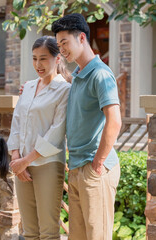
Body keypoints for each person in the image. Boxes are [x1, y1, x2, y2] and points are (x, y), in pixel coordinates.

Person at [52, 13, 122, 240]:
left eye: (65, 43)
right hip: (77, 167)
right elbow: (64, 79)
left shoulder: (101, 75)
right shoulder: (80, 75)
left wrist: (98, 162)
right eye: (59, 44)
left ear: (82, 38)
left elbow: (115, 120)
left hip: (95, 169)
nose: (62, 50)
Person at [7, 36, 71, 240]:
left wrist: (25, 161)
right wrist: (17, 158)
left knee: (48, 232)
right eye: (34, 59)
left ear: (57, 58)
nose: (38, 64)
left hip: (47, 165)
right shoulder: (28, 87)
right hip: (22, 165)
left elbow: (57, 131)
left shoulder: (65, 90)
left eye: (43, 59)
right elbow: (16, 121)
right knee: (29, 232)